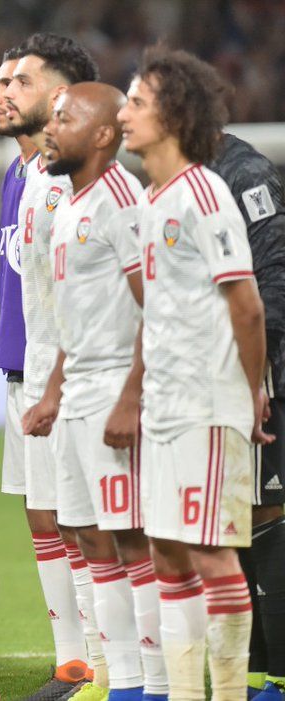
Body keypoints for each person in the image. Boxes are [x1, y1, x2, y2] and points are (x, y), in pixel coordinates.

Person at [118, 46, 264, 701]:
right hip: (165, 406)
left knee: (210, 550)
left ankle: (226, 694)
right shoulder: (153, 200)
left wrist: (250, 392)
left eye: (137, 103)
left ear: (174, 115)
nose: (124, 114)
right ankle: (184, 692)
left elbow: (247, 304)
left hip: (206, 404)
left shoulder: (205, 193)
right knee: (168, 550)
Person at [24, 82, 163, 701]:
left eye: (64, 119)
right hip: (77, 393)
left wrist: (132, 396)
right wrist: (54, 391)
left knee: (131, 537)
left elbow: (155, 304)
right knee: (89, 538)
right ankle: (124, 682)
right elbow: (70, 316)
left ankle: (158, 683)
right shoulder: (70, 205)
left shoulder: (121, 199)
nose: (50, 129)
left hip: (114, 390)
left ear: (104, 134)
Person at [1, 35, 118, 701]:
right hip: (40, 373)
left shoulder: (85, 187)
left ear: (61, 94)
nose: (2, 92)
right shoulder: (29, 179)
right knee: (54, 518)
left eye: (20, 81)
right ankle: (81, 664)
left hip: (82, 382)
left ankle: (114, 666)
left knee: (93, 523)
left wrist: (61, 380)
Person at [207, 131, 285, 701]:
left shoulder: (244, 172)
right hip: (210, 375)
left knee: (263, 508)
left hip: (258, 371)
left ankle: (279, 675)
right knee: (229, 515)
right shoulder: (176, 178)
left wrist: (256, 368)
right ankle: (255, 673)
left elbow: (275, 274)